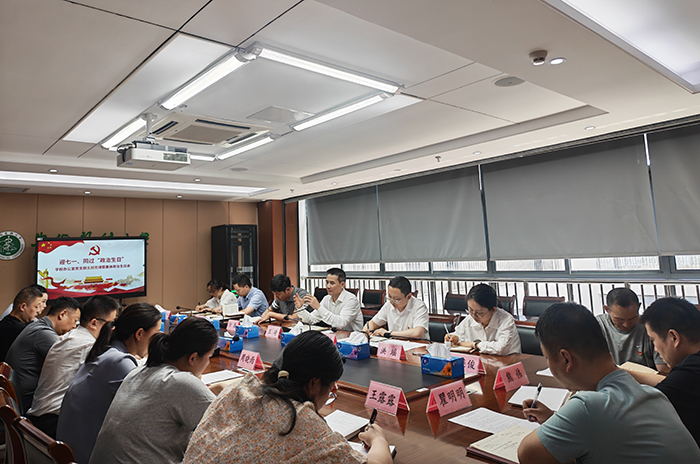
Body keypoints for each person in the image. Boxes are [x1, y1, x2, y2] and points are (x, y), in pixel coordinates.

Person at [517, 303, 700, 464]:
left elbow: (527, 454)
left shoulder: (587, 406)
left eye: (547, 358)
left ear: (566, 359)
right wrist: (554, 419)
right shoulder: (653, 395)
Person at [182, 331, 393, 464]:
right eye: (331, 388)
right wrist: (378, 440)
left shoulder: (238, 388)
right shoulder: (302, 423)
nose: (330, 393)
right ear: (314, 383)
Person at [89, 317, 219, 464]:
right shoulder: (181, 382)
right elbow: (227, 428)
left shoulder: (139, 371)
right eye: (209, 356)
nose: (208, 362)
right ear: (193, 358)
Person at [56, 303, 161, 464]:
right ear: (139, 334)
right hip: (87, 455)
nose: (158, 340)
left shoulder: (106, 351)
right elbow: (150, 408)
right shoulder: (118, 361)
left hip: (70, 450)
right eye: (156, 334)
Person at [26, 295, 119, 437]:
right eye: (111, 323)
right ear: (94, 323)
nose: (113, 329)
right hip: (53, 422)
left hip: (41, 416)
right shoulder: (87, 345)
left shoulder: (71, 336)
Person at [623, 297, 700, 447]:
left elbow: (632, 415)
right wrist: (624, 372)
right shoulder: (691, 371)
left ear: (674, 337)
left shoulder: (686, 377)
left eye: (653, 340)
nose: (656, 349)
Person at [6, 296, 81, 414]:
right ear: (62, 314)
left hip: (22, 396)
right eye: (75, 321)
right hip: (28, 400)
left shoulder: (39, 326)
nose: (74, 326)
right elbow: (69, 358)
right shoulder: (43, 333)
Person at [597, 288, 668, 373]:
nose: (626, 324)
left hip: (647, 380)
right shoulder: (598, 326)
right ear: (607, 309)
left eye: (632, 319)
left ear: (639, 307)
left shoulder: (650, 327)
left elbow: (663, 370)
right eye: (619, 320)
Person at [445, 284, 520, 355]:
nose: (474, 315)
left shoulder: (506, 320)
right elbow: (459, 333)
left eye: (480, 313)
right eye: (470, 310)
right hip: (480, 360)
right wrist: (455, 337)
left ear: (493, 310)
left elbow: (501, 348)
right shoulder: (470, 318)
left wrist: (475, 344)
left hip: (507, 361)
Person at [295, 268, 363, 332]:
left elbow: (341, 324)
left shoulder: (351, 299)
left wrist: (318, 307)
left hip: (354, 337)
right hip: (337, 335)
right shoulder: (327, 298)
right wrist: (300, 308)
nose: (328, 286)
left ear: (342, 284)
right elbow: (311, 319)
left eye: (332, 283)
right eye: (327, 282)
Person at [363, 276, 429, 340]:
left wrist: (388, 333)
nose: (392, 302)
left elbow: (417, 333)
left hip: (418, 345)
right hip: (395, 345)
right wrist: (365, 333)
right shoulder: (388, 305)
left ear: (408, 296)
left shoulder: (419, 306)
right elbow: (373, 323)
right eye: (390, 296)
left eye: (397, 299)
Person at [0, 286, 45, 362]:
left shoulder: (5, 322)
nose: (38, 311)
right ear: (23, 307)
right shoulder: (23, 330)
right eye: (36, 307)